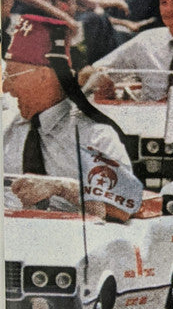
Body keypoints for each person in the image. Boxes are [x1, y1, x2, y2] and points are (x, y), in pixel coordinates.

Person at [3, 15, 141, 221]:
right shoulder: (6, 127)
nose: (5, 87)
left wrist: (64, 188)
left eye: (12, 76)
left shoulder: (94, 136)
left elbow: (124, 207)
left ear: (43, 76)